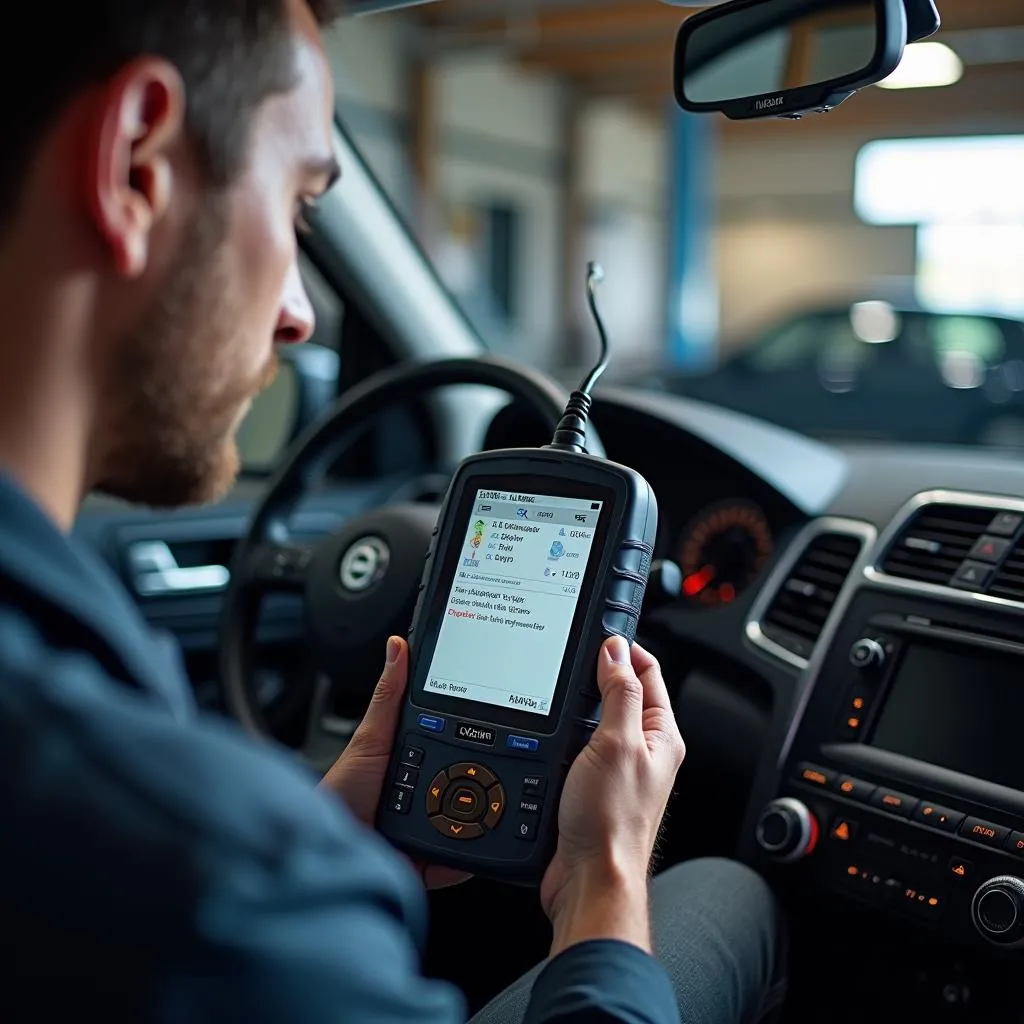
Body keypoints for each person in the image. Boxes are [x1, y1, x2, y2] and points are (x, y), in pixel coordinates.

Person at [0, 1, 786, 1021]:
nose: (299, 311)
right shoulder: (229, 891)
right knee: (731, 897)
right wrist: (602, 885)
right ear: (136, 166)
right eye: (297, 210)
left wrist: (315, 834)